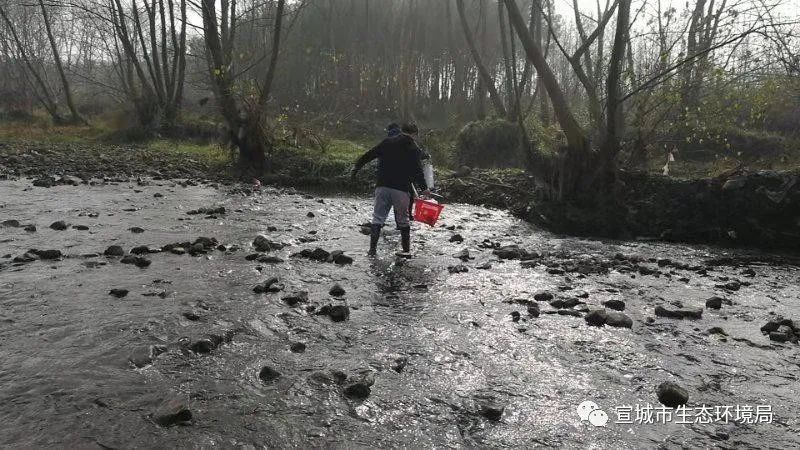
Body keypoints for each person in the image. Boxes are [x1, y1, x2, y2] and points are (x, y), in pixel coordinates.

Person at [351, 123, 430, 256]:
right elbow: (418, 171)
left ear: (402, 131)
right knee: (403, 220)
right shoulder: (414, 148)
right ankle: (405, 251)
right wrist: (424, 189)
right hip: (401, 189)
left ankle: (372, 250)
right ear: (415, 134)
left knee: (377, 219)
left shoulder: (387, 142)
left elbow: (369, 155)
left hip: (382, 186)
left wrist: (356, 168)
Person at [400, 122, 433, 221]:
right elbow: (417, 168)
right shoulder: (412, 145)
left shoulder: (392, 141)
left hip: (387, 180)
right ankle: (407, 219)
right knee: (408, 197)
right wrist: (424, 187)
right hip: (405, 177)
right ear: (414, 134)